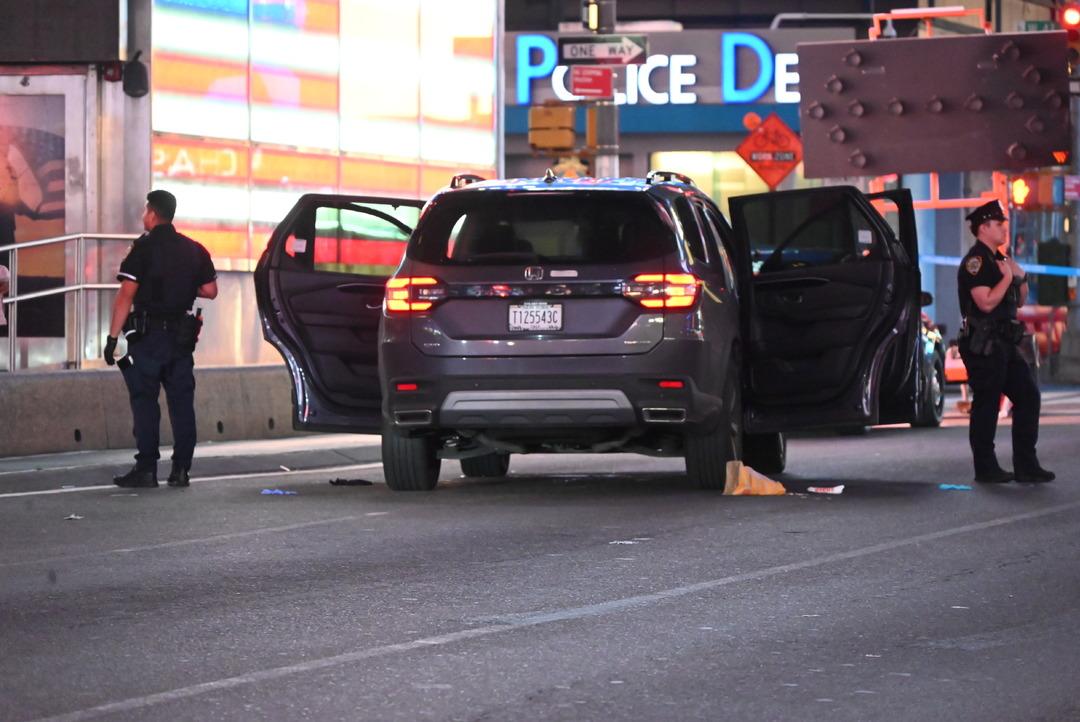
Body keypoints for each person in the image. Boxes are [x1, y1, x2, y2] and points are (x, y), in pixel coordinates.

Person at [105, 190, 217, 488]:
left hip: (149, 338)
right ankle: (181, 470)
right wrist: (183, 287)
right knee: (182, 403)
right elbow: (210, 291)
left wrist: (112, 337)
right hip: (181, 338)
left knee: (145, 400)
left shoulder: (143, 248)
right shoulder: (194, 249)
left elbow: (126, 295)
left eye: (146, 211)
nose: (144, 216)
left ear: (153, 213)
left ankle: (146, 469)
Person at [956, 200, 1054, 485]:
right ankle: (986, 468)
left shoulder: (1000, 260)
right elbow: (985, 302)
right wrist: (1007, 277)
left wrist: (1020, 279)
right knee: (987, 403)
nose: (1004, 229)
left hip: (1005, 342)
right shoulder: (976, 262)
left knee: (1028, 396)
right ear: (983, 228)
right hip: (984, 343)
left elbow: (1020, 301)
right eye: (998, 225)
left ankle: (1026, 465)